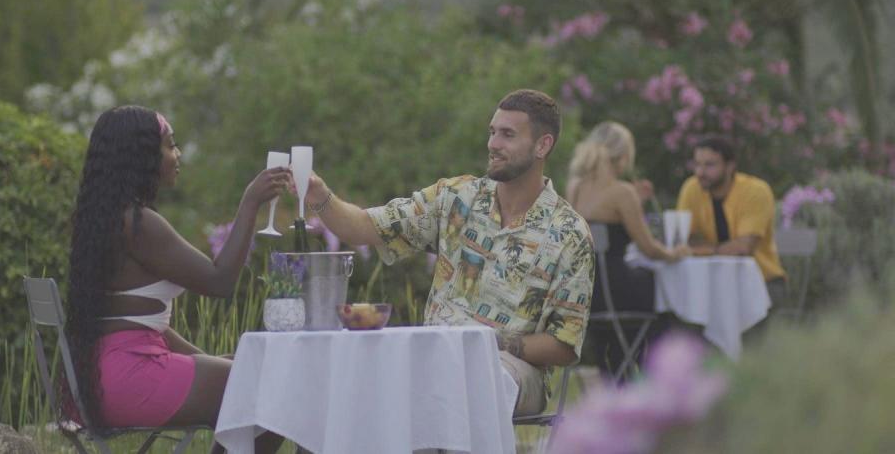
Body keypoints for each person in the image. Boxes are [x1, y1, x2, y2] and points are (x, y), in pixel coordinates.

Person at [294, 89, 595, 416]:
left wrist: (490, 343)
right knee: (355, 376)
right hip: (433, 354)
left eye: (508, 134)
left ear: (542, 145)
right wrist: (320, 197)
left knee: (462, 379)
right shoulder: (455, 197)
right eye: (492, 132)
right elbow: (365, 227)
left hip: (513, 367)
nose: (493, 143)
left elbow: (564, 344)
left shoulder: (569, 233)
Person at [64, 106, 288, 454]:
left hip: (100, 377)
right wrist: (250, 202)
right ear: (143, 157)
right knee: (276, 389)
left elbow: (143, 324)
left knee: (253, 376)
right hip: (131, 380)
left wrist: (207, 360)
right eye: (170, 145)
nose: (177, 154)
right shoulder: (140, 223)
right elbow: (219, 282)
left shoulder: (106, 218)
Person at [565, 121, 689, 375]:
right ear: (622, 157)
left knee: (632, 307)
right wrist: (674, 253)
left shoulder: (575, 187)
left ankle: (614, 373)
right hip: (617, 290)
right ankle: (655, 374)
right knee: (661, 296)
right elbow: (649, 248)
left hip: (586, 292)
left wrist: (636, 201)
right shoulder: (622, 192)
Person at [676, 134, 785, 302]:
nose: (700, 172)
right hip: (709, 281)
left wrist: (705, 249)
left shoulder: (755, 191)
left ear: (730, 166)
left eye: (709, 165)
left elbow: (743, 248)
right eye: (697, 164)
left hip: (761, 280)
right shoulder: (692, 188)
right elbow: (683, 238)